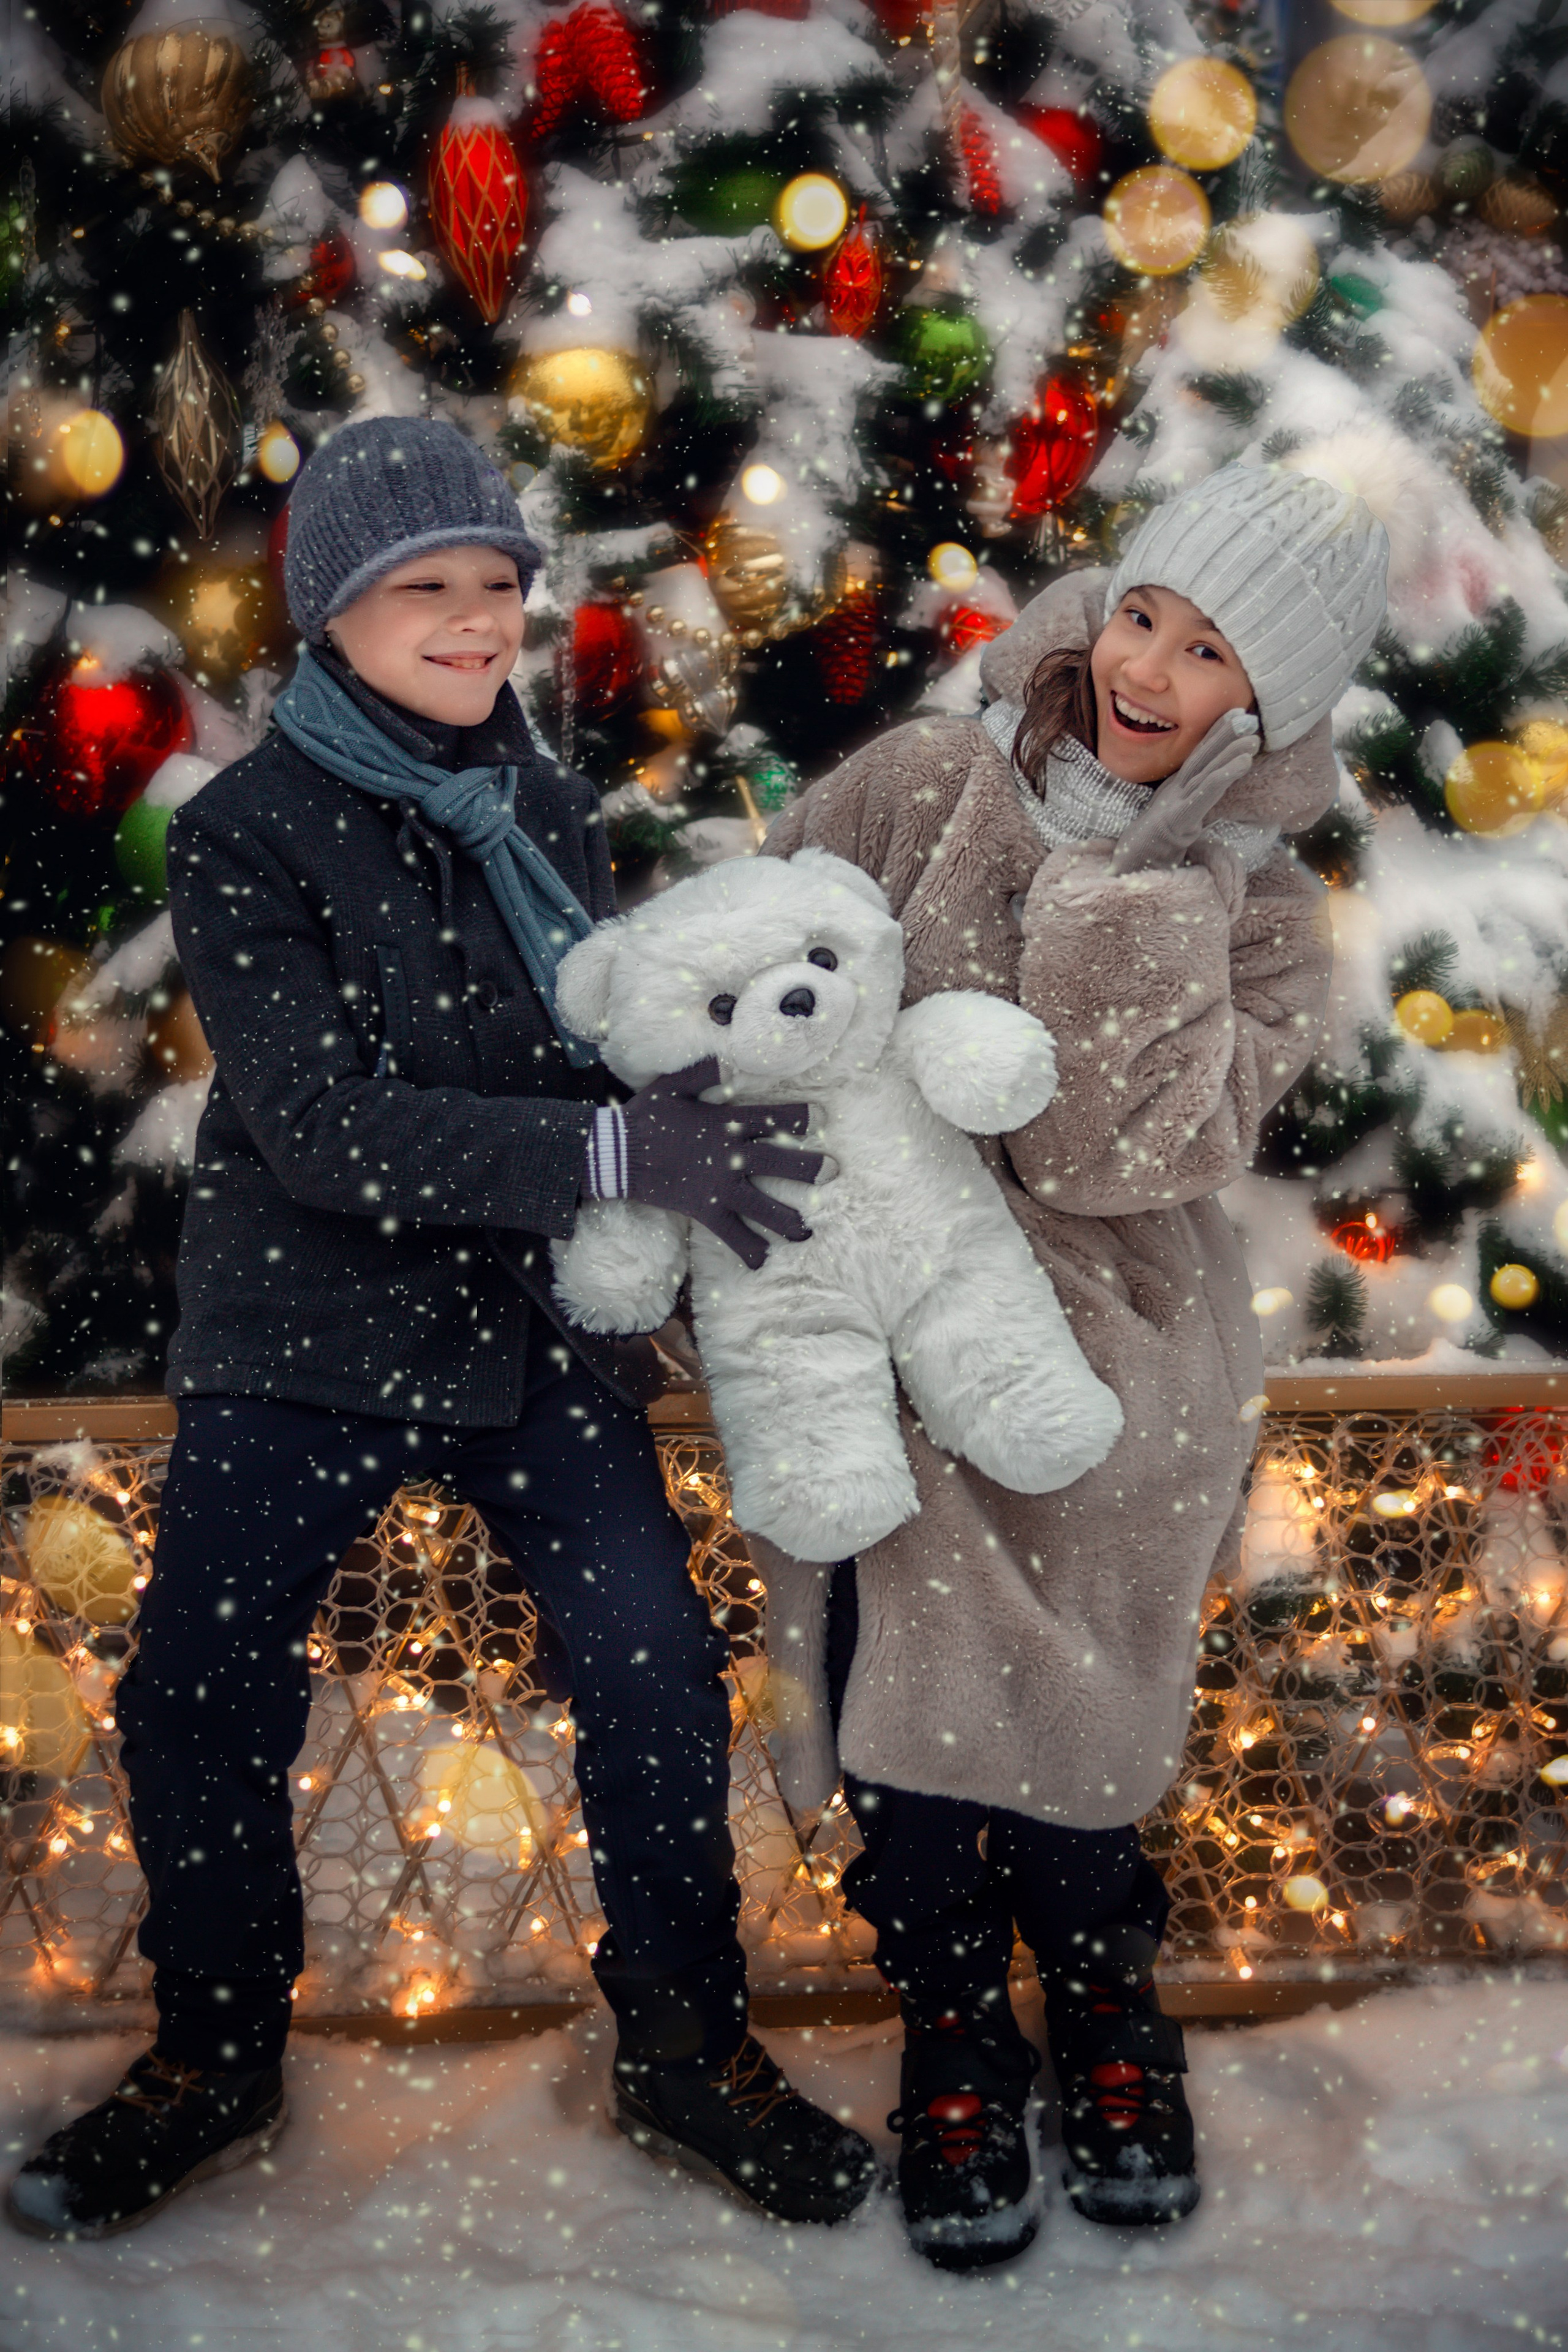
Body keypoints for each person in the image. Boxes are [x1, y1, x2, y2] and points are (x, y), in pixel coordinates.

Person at [6, 418, 876, 2242]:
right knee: (199, 1694)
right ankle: (217, 2049)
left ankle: (683, 2043)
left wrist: (722, 1117)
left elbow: (599, 1027)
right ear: (333, 610)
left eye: (499, 585)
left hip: (528, 1333)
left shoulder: (542, 802)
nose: (480, 622)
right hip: (305, 1330)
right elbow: (324, 1126)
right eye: (430, 588)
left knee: (651, 1674)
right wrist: (617, 1145)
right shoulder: (246, 834)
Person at [760, 463, 1389, 2268]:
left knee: (1091, 1675)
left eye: (1212, 657)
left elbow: (1115, 1162)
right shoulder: (922, 780)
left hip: (1111, 1335)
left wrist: (1124, 901)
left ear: (1263, 710)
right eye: (1145, 616)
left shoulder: (1258, 910)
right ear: (1101, 608)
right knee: (911, 1674)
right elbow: (757, 960)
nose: (1154, 667)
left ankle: (1108, 2004)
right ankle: (953, 2020)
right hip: (896, 1294)